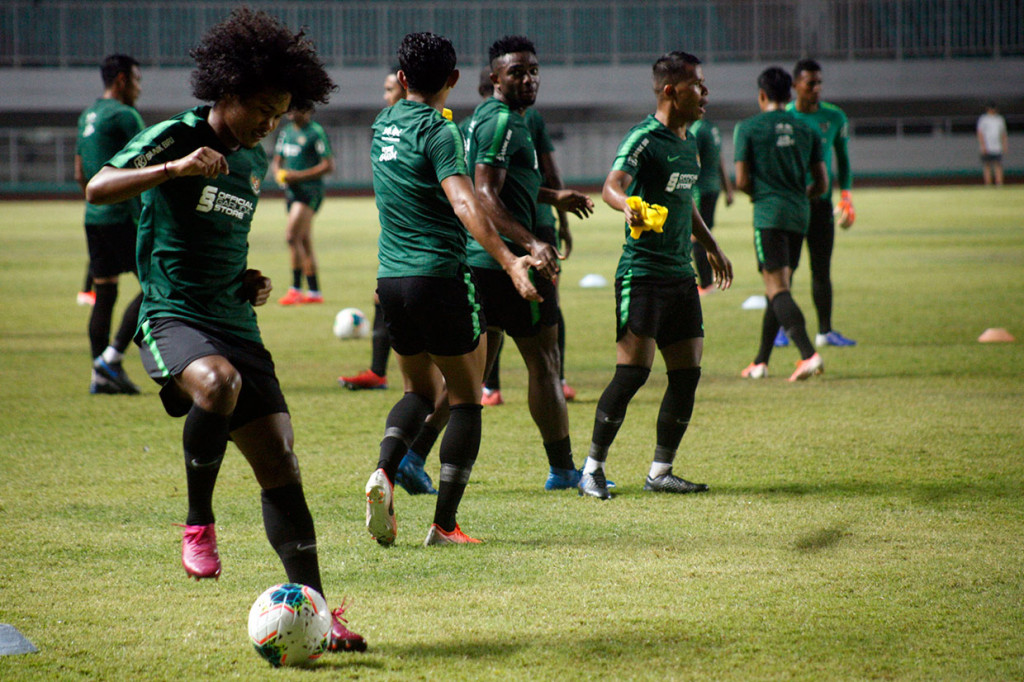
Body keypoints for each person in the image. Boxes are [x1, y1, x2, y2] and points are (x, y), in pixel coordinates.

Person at [85, 8, 364, 652]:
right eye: (262, 108)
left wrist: (251, 280)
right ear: (228, 90)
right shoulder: (176, 135)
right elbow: (99, 187)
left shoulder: (254, 159)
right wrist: (172, 171)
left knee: (282, 465)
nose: (270, 122)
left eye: (279, 111)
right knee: (217, 385)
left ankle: (321, 612)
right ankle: (198, 521)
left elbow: (223, 235)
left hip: (234, 317)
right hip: (172, 313)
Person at [364, 32, 542, 546]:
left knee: (417, 392)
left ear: (401, 79)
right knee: (466, 400)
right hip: (440, 276)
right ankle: (444, 525)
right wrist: (509, 260)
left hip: (391, 281)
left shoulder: (384, 125)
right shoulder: (439, 132)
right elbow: (467, 205)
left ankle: (384, 471)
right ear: (456, 79)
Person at [578, 51, 733, 501]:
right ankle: (592, 470)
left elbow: (686, 205)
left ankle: (661, 470)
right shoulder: (645, 138)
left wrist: (710, 245)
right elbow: (612, 184)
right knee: (633, 374)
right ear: (671, 90)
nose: (705, 93)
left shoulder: (690, 141)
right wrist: (624, 203)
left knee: (686, 374)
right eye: (697, 86)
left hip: (680, 276)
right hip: (642, 274)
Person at [464, 35, 594, 491]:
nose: (528, 78)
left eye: (533, 70)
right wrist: (532, 243)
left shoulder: (492, 118)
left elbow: (507, 182)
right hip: (512, 261)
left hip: (482, 260)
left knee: (473, 371)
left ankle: (408, 457)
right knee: (545, 362)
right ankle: (562, 470)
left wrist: (555, 198)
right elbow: (485, 193)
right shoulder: (503, 121)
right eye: (516, 72)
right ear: (495, 78)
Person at [482, 88, 578, 406]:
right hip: (532, 228)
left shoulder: (476, 120)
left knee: (490, 323)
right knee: (545, 309)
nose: (529, 81)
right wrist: (560, 221)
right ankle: (557, 378)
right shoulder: (518, 119)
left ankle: (489, 388)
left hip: (491, 237)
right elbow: (549, 170)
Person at [734, 66, 828, 383]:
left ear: (762, 95)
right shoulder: (807, 130)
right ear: (789, 95)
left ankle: (808, 355)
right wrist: (800, 196)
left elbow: (742, 180)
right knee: (777, 289)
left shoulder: (748, 128)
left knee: (777, 289)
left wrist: (761, 194)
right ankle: (760, 361)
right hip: (800, 215)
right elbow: (822, 183)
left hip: (769, 215)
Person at [74, 54, 146, 395]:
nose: (139, 88)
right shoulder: (124, 115)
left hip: (94, 218)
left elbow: (79, 173)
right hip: (123, 217)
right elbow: (147, 161)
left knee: (104, 295)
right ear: (120, 80)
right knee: (157, 285)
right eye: (136, 80)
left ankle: (99, 374)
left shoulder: (87, 114)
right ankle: (112, 359)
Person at [776, 58, 856, 348]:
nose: (817, 88)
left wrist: (846, 196)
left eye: (820, 82)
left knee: (821, 269)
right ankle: (783, 329)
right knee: (786, 270)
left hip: (821, 205)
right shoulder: (783, 117)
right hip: (792, 205)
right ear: (796, 85)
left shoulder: (834, 117)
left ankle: (825, 331)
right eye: (811, 83)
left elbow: (843, 160)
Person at [337, 68, 407, 390]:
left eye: (390, 88)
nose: (384, 95)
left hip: (422, 240)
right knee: (382, 298)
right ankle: (377, 373)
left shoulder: (430, 128)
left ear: (406, 86)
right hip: (396, 239)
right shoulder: (386, 127)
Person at [272, 106, 334, 305]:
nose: (291, 111)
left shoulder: (315, 132)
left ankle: (295, 289)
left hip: (309, 192)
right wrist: (278, 174)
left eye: (296, 107)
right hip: (291, 192)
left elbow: (328, 165)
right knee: (304, 240)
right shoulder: (286, 132)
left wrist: (297, 176)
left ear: (307, 109)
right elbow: (277, 160)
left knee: (291, 236)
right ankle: (315, 292)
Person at [687, 116, 734, 296]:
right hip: (713, 188)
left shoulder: (697, 130)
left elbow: (692, 160)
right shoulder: (712, 128)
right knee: (704, 233)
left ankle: (705, 284)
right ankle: (707, 282)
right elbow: (719, 159)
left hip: (700, 190)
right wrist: (727, 188)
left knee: (697, 236)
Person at [977, 102, 1008, 186]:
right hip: (987, 146)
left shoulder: (999, 119)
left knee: (998, 165)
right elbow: (980, 133)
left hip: (997, 146)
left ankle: (999, 183)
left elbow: (1003, 133)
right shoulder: (983, 119)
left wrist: (1004, 145)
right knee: (987, 165)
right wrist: (983, 145)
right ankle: (988, 183)